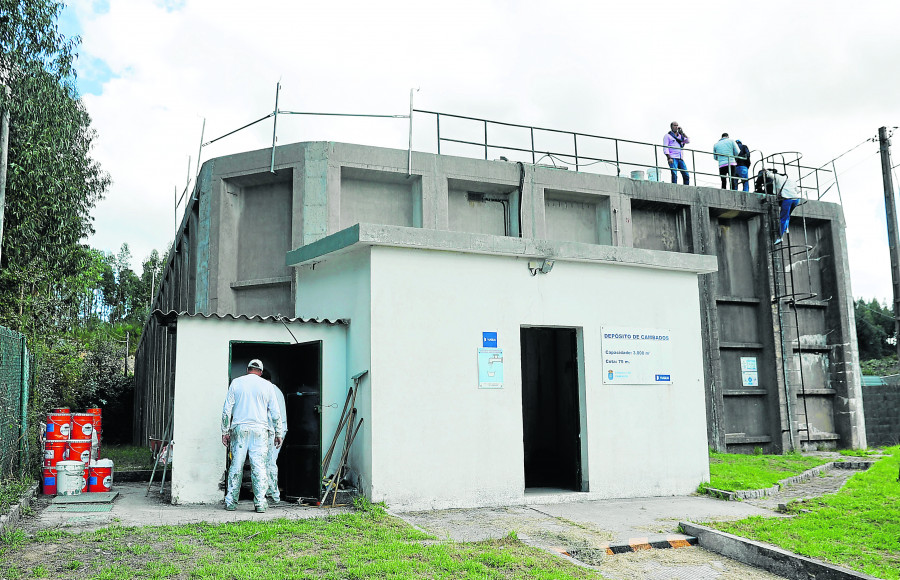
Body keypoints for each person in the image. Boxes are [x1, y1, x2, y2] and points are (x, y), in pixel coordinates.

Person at [221, 359, 283, 513]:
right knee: (259, 467)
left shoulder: (236, 383)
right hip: (260, 430)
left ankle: (231, 502)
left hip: (239, 429)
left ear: (248, 369)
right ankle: (260, 504)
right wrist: (278, 433)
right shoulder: (267, 385)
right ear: (260, 372)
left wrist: (225, 431)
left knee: (236, 465)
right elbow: (275, 412)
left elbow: (226, 409)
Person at [261, 369, 287, 504]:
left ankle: (273, 494)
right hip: (276, 429)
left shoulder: (269, 390)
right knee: (269, 462)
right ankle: (269, 492)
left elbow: (273, 414)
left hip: (274, 430)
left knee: (269, 462)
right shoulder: (276, 389)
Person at [771, 170, 800, 244]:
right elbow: (798, 190)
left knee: (783, 218)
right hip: (796, 200)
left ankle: (779, 237)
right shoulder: (791, 180)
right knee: (787, 215)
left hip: (787, 200)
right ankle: (786, 227)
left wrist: (765, 170)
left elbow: (770, 175)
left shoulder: (778, 177)